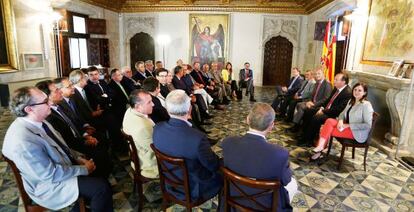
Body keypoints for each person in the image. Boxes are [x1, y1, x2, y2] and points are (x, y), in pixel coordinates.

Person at [2, 86, 113, 211]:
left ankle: (80, 207)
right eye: (45, 102)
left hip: (60, 169)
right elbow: (49, 175)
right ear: (29, 109)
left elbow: (62, 146)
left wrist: (79, 158)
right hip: (48, 185)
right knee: (101, 188)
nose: (50, 102)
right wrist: (83, 169)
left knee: (99, 169)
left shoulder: (41, 121)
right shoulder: (23, 140)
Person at [222, 103, 298, 211]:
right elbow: (286, 180)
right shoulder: (280, 154)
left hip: (234, 199)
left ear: (247, 120)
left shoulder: (228, 142)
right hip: (266, 206)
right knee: (293, 184)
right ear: (271, 126)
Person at [153, 89, 222, 201]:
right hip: (194, 189)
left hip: (169, 182)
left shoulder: (157, 128)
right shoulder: (197, 138)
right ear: (190, 109)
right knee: (224, 174)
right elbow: (213, 165)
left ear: (167, 109)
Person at [310, 82, 374, 160]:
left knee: (328, 130)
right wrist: (340, 120)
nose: (356, 92)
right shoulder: (351, 101)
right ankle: (320, 147)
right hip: (346, 126)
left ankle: (319, 149)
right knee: (329, 121)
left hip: (357, 132)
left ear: (365, 93)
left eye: (359, 90)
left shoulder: (366, 105)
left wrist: (348, 125)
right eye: (355, 89)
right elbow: (342, 113)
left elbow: (367, 125)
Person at [298, 72, 352, 146]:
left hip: (334, 115)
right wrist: (322, 108)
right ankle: (304, 134)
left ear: (343, 82)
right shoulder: (337, 88)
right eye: (334, 79)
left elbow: (338, 110)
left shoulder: (347, 93)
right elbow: (328, 100)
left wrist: (323, 111)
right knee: (308, 111)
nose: (334, 81)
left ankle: (309, 141)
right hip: (326, 110)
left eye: (336, 79)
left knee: (316, 118)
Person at [123, 89, 159, 178]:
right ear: (138, 106)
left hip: (139, 155)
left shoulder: (129, 111)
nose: (153, 104)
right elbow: (158, 150)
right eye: (149, 102)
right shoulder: (143, 127)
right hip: (149, 164)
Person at [288, 67, 331, 133]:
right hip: (312, 102)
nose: (317, 75)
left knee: (302, 107)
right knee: (299, 105)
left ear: (323, 74)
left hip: (319, 105)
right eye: (316, 74)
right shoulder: (317, 83)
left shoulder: (327, 84)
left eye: (319, 74)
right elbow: (312, 95)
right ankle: (299, 125)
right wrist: (309, 101)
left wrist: (314, 104)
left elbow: (326, 99)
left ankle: (296, 126)